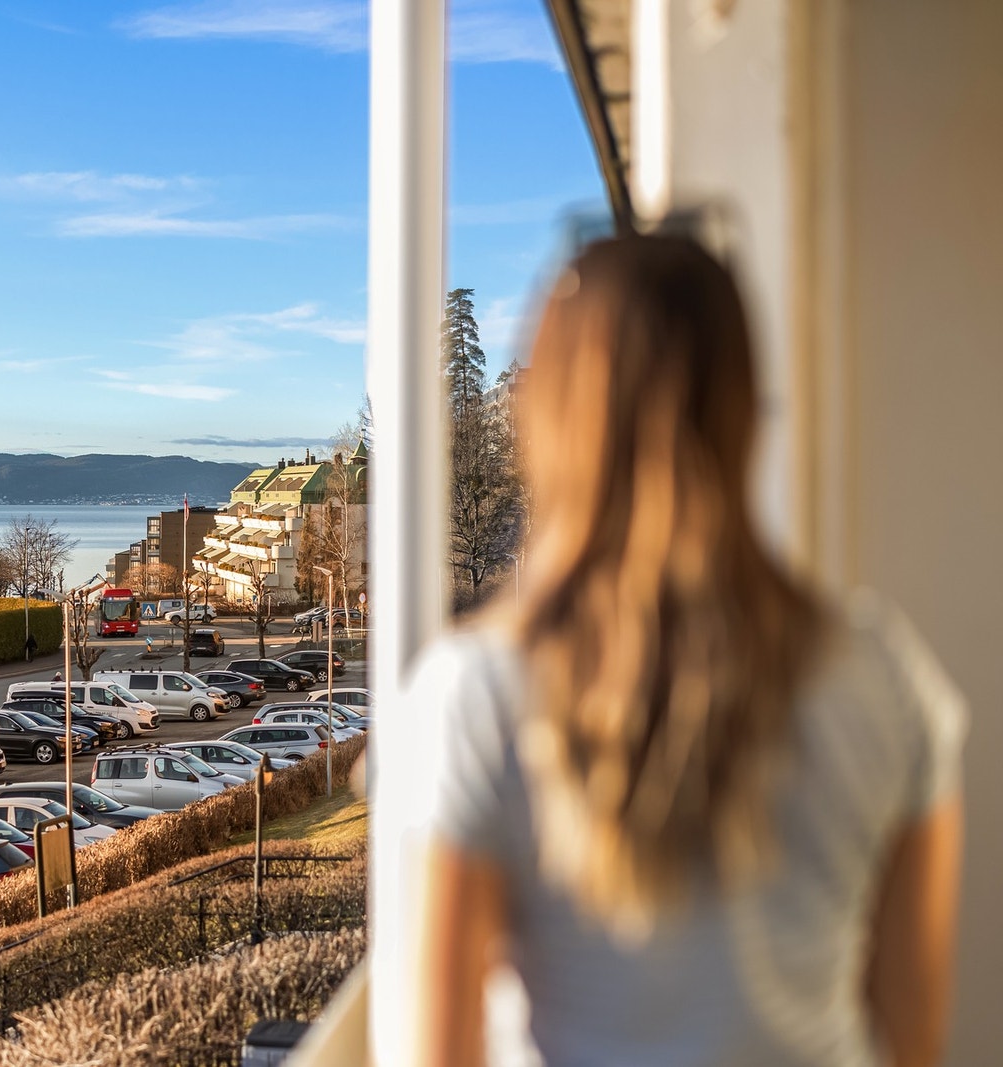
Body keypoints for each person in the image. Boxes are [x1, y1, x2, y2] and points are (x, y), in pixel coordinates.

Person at [399, 235, 966, 1067]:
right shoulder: (886, 680)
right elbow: (913, 1038)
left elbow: (436, 1052)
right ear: (745, 411)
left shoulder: (480, 691)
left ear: (549, 420)